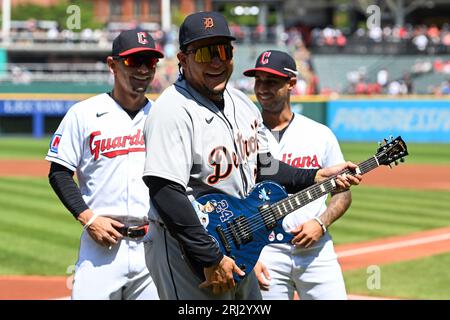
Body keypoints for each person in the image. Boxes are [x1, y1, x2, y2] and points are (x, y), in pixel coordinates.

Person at [142, 11, 361, 300]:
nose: (217, 60)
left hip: (238, 242)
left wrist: (316, 176)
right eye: (206, 52)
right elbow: (165, 192)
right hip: (187, 250)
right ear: (183, 59)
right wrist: (210, 258)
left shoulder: (242, 103)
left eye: (224, 50)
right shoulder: (172, 110)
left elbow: (263, 166)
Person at [45, 28, 164, 300]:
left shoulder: (161, 116)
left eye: (150, 62)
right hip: (101, 247)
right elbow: (59, 173)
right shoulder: (84, 113)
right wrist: (89, 219)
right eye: (134, 61)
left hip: (153, 245)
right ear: (113, 65)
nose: (143, 69)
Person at [243, 50, 351, 300]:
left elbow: (342, 194)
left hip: (316, 251)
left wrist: (322, 223)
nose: (262, 88)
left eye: (271, 81)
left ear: (291, 83)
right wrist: (249, 254)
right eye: (258, 80)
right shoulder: (244, 134)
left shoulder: (319, 134)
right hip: (264, 252)